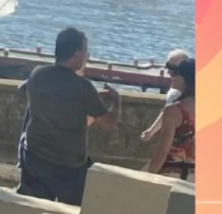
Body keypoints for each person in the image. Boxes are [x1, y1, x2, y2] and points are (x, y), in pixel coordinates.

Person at [17, 27, 121, 206]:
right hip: (68, 164)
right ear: (77, 55)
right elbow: (108, 124)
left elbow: (58, 103)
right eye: (86, 51)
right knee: (74, 206)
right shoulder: (84, 87)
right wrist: (117, 101)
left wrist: (87, 101)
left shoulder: (37, 74)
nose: (87, 56)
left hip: (34, 156)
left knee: (35, 206)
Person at [146, 58, 195, 181]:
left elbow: (162, 151)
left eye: (176, 73)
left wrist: (149, 177)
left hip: (171, 173)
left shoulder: (173, 111)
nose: (172, 76)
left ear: (184, 79)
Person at [140, 49, 191, 142]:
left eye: (173, 69)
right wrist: (151, 131)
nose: (169, 72)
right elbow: (167, 111)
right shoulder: (173, 92)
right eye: (168, 67)